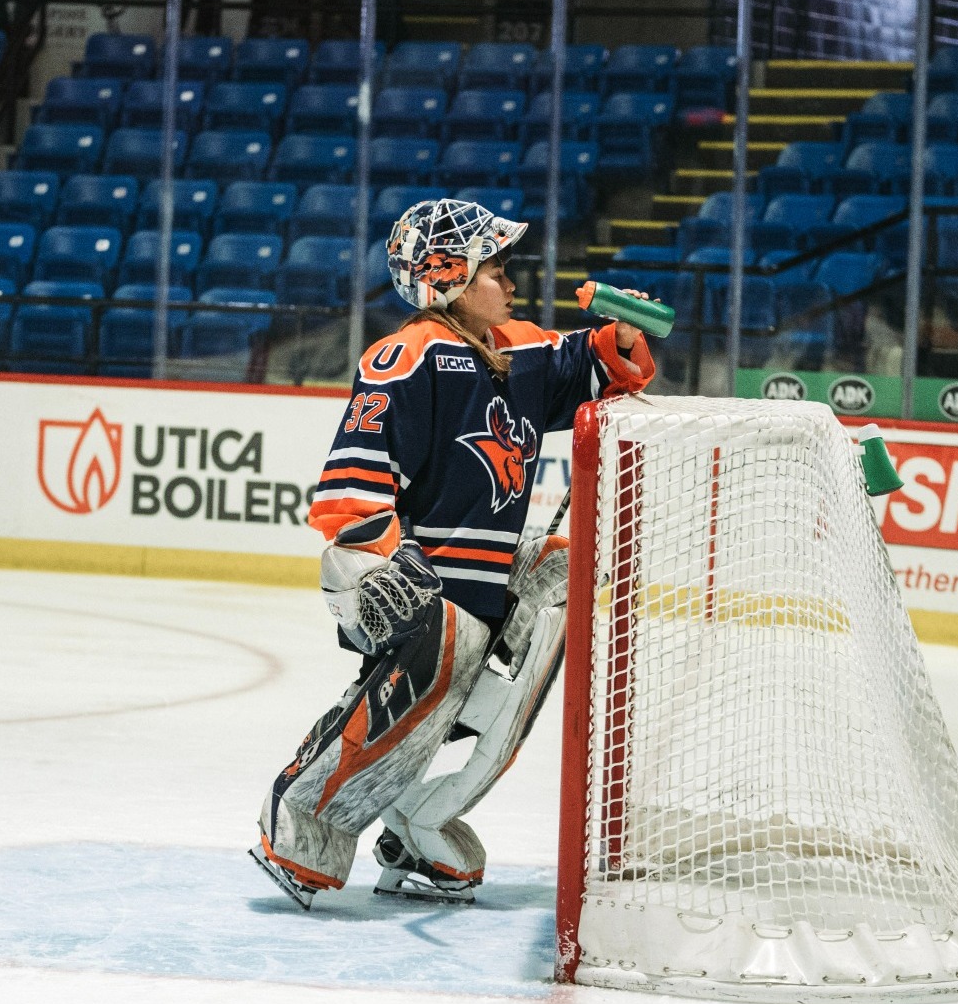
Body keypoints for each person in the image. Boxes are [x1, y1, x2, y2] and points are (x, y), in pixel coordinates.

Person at [250, 198, 659, 909]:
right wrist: (377, 559)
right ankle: (305, 818)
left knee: (560, 570)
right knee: (445, 646)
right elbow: (351, 487)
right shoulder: (405, 357)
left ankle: (421, 822)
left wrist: (619, 338)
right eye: (494, 267)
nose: (509, 280)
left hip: (484, 575)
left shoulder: (520, 347)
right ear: (449, 277)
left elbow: (591, 369)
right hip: (421, 580)